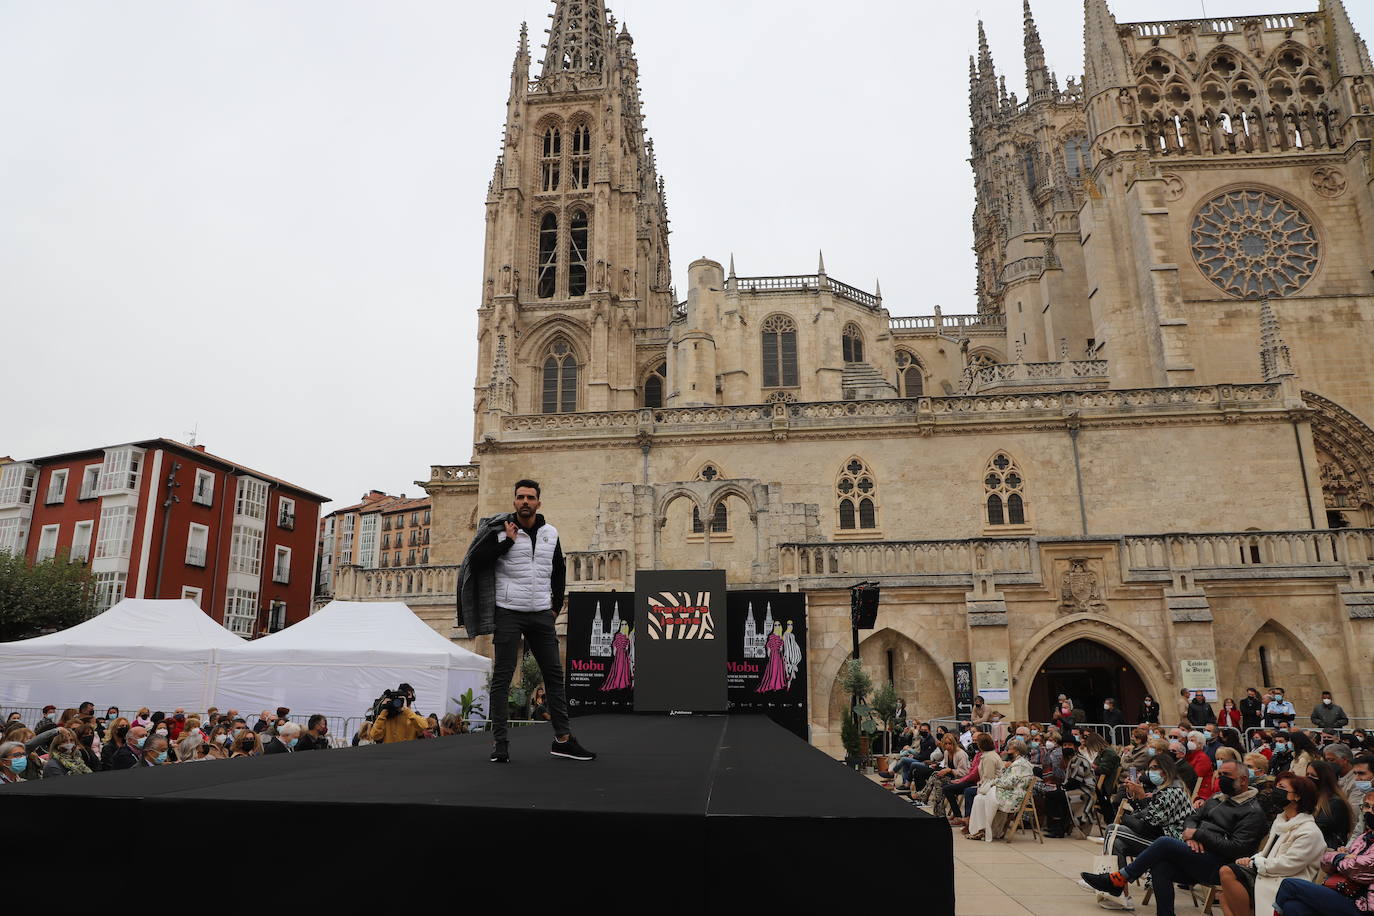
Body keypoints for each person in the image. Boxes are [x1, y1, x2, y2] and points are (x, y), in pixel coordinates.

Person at [457, 479, 594, 764]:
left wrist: (555, 606)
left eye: (530, 497)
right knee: (503, 678)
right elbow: (477, 560)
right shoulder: (501, 531)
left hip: (542, 613)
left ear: (538, 503)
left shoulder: (551, 534)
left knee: (554, 676)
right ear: (514, 501)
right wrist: (506, 541)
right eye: (520, 497)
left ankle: (563, 740)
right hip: (509, 611)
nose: (525, 502)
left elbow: (558, 570)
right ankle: (500, 742)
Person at [1079, 759, 1268, 916]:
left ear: (1243, 780)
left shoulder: (1252, 812)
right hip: (1196, 853)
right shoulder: (1218, 798)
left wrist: (1199, 834)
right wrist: (1191, 836)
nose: (1221, 779)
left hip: (1220, 865)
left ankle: (1119, 879)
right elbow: (1193, 818)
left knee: (1163, 844)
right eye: (1220, 774)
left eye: (1226, 776)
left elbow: (1237, 848)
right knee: (1161, 865)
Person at [1218, 772, 1325, 916]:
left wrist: (1255, 863)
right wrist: (1252, 859)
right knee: (1224, 894)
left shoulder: (1309, 832)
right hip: (1267, 872)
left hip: (1284, 882)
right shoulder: (1280, 821)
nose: (1275, 791)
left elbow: (1288, 865)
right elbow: (1267, 853)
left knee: (1227, 876)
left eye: (1281, 787)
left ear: (1297, 796)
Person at [1096, 753, 1193, 910]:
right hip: (1160, 837)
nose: (1151, 772)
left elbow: (1148, 826)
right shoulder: (1164, 790)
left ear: (1166, 770)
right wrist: (1139, 798)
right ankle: (1121, 894)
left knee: (1113, 829)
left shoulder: (1174, 792)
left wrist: (1122, 817)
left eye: (1155, 768)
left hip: (1171, 843)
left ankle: (1110, 883)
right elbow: (1145, 817)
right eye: (1149, 768)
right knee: (1117, 842)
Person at [1272, 793, 1374, 915]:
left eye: (1372, 807)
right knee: (1293, 907)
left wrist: (1339, 859)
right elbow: (1325, 861)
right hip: (1341, 892)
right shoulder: (1364, 837)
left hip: (1362, 907)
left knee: (1289, 884)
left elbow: (1356, 868)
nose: (1368, 811)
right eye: (1366, 806)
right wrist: (1342, 857)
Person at [968, 738, 1033, 842]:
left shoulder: (1020, 765)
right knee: (979, 798)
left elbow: (1010, 783)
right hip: (1007, 791)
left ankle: (987, 831)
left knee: (983, 797)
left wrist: (994, 782)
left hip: (1013, 796)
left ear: (1016, 751)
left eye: (1009, 749)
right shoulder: (1017, 762)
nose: (1007, 751)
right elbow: (1006, 779)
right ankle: (980, 830)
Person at [952, 732, 1000, 831]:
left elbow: (988, 777)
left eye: (977, 742)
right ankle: (968, 819)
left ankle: (968, 819)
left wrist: (978, 786)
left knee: (969, 791)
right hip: (987, 784)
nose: (975, 744)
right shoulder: (985, 755)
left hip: (993, 787)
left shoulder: (989, 758)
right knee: (968, 790)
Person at [919, 734, 970, 817]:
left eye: (950, 743)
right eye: (945, 744)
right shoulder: (946, 752)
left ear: (954, 743)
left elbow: (965, 773)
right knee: (937, 780)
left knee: (936, 777)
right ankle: (939, 812)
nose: (948, 746)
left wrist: (950, 770)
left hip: (961, 779)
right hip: (951, 776)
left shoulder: (961, 754)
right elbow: (946, 766)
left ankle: (925, 798)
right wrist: (946, 770)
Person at [1308, 759, 1353, 849]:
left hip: (1327, 850)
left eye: (1313, 775)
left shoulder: (1335, 803)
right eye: (1307, 774)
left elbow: (1317, 828)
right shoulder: (1314, 797)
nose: (1309, 778)